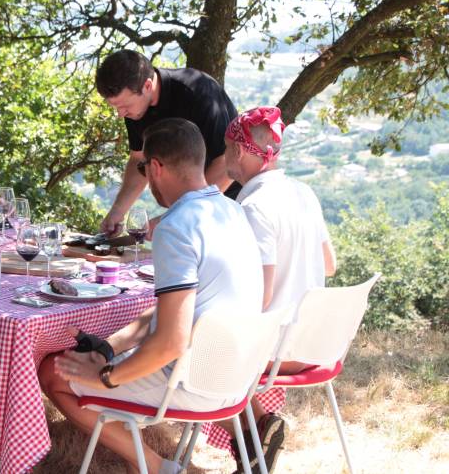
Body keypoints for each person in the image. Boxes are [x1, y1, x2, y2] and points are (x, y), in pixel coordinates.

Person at [38, 118, 263, 474]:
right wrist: (109, 347)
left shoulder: (175, 226)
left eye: (143, 168)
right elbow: (175, 313)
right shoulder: (232, 211)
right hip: (239, 377)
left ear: (156, 168)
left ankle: (159, 468)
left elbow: (172, 343)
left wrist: (107, 375)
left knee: (52, 371)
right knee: (86, 364)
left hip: (196, 381)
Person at [220, 106, 337, 473]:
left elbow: (261, 297)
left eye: (224, 149)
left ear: (238, 151)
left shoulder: (253, 205)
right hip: (315, 343)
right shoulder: (302, 192)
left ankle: (260, 428)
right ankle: (255, 444)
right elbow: (330, 265)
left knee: (191, 354)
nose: (223, 158)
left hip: (276, 351)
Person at [95, 50, 240, 237]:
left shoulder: (198, 92)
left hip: (227, 203)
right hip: (188, 207)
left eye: (124, 106)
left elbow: (227, 162)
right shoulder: (136, 108)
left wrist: (176, 215)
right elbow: (139, 160)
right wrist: (117, 212)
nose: (120, 114)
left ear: (147, 86)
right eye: (115, 108)